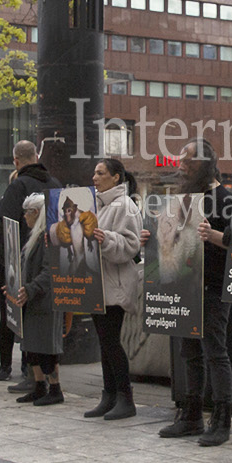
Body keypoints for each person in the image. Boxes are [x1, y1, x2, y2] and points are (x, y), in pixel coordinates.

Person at [162, 141, 232, 444]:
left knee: (214, 351)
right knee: (189, 351)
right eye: (180, 159)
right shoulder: (184, 198)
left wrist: (214, 237)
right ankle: (191, 415)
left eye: (188, 160)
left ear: (205, 162)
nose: (181, 164)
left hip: (214, 285)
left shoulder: (225, 199)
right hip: (186, 284)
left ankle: (221, 420)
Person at [0, 142, 60, 386]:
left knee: (16, 320)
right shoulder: (55, 184)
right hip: (49, 262)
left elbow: (7, 227)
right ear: (37, 156)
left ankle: (28, 375)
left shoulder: (18, 185)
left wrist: (4, 269)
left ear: (16, 161)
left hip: (22, 264)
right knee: (40, 325)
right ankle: (38, 377)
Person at [83, 157, 144, 420]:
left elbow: (132, 245)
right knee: (105, 343)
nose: (95, 178)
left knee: (111, 342)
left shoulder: (125, 206)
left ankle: (125, 397)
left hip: (115, 284)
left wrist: (105, 239)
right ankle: (109, 396)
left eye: (100, 173)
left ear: (116, 177)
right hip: (99, 283)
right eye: (94, 173)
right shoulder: (96, 205)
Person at [9, 192, 64, 406]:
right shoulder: (37, 236)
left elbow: (49, 271)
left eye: (27, 213)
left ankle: (55, 388)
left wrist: (30, 288)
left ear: (36, 213)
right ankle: (40, 386)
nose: (24, 217)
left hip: (44, 301)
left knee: (46, 347)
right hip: (32, 299)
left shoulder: (48, 237)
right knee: (31, 346)